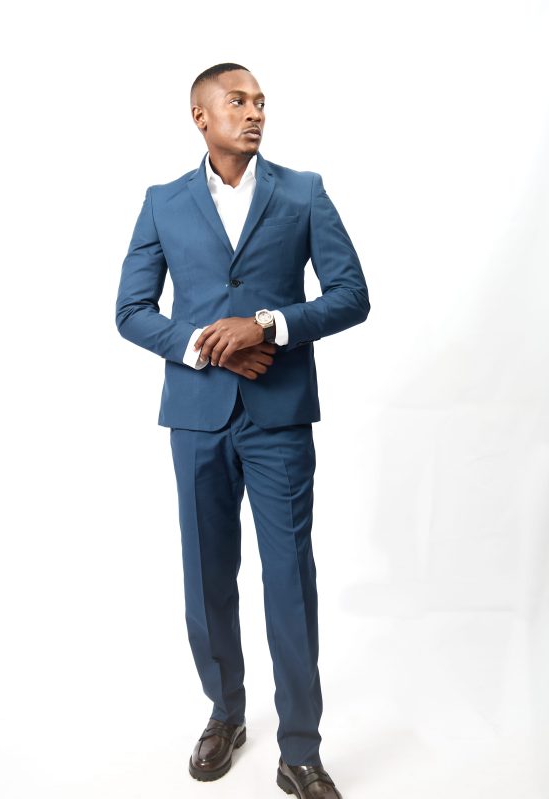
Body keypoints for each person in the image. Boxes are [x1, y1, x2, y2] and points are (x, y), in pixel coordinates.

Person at [115, 62, 370, 799]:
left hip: (278, 416)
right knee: (206, 577)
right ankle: (225, 714)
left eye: (261, 102)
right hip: (196, 415)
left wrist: (268, 325)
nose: (255, 112)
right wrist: (206, 344)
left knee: (290, 577)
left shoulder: (304, 192)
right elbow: (132, 310)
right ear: (201, 116)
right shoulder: (163, 202)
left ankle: (300, 751)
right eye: (238, 101)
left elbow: (351, 294)